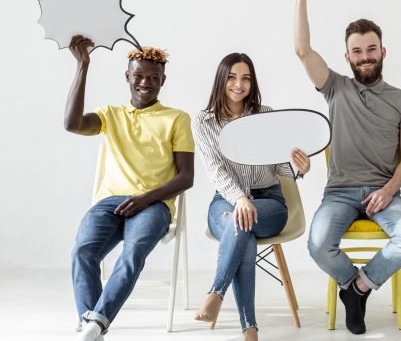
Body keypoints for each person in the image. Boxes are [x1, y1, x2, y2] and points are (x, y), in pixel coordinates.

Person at [289, 0, 401, 334]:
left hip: (385, 192)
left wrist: (389, 190)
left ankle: (359, 289)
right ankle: (353, 286)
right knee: (318, 245)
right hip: (339, 193)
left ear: (382, 51)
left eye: (370, 49)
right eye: (356, 51)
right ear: (347, 57)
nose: (365, 56)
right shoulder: (336, 88)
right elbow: (302, 50)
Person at [66, 36, 194, 341]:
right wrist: (83, 66)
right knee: (83, 251)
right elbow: (71, 124)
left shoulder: (176, 118)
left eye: (153, 77)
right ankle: (92, 321)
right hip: (109, 202)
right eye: (138, 76)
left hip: (154, 204)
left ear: (163, 80)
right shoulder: (111, 115)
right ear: (127, 77)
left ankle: (94, 324)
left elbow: (186, 177)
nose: (145, 83)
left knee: (133, 252)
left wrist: (144, 199)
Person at [191, 53, 310, 341]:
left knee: (243, 220)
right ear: (221, 79)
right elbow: (215, 169)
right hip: (225, 201)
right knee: (241, 222)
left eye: (245, 78)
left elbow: (281, 165)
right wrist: (240, 199)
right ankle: (250, 329)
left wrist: (300, 168)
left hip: (269, 203)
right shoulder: (203, 122)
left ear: (252, 83)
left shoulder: (266, 115)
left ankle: (216, 293)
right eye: (232, 77)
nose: (238, 84)